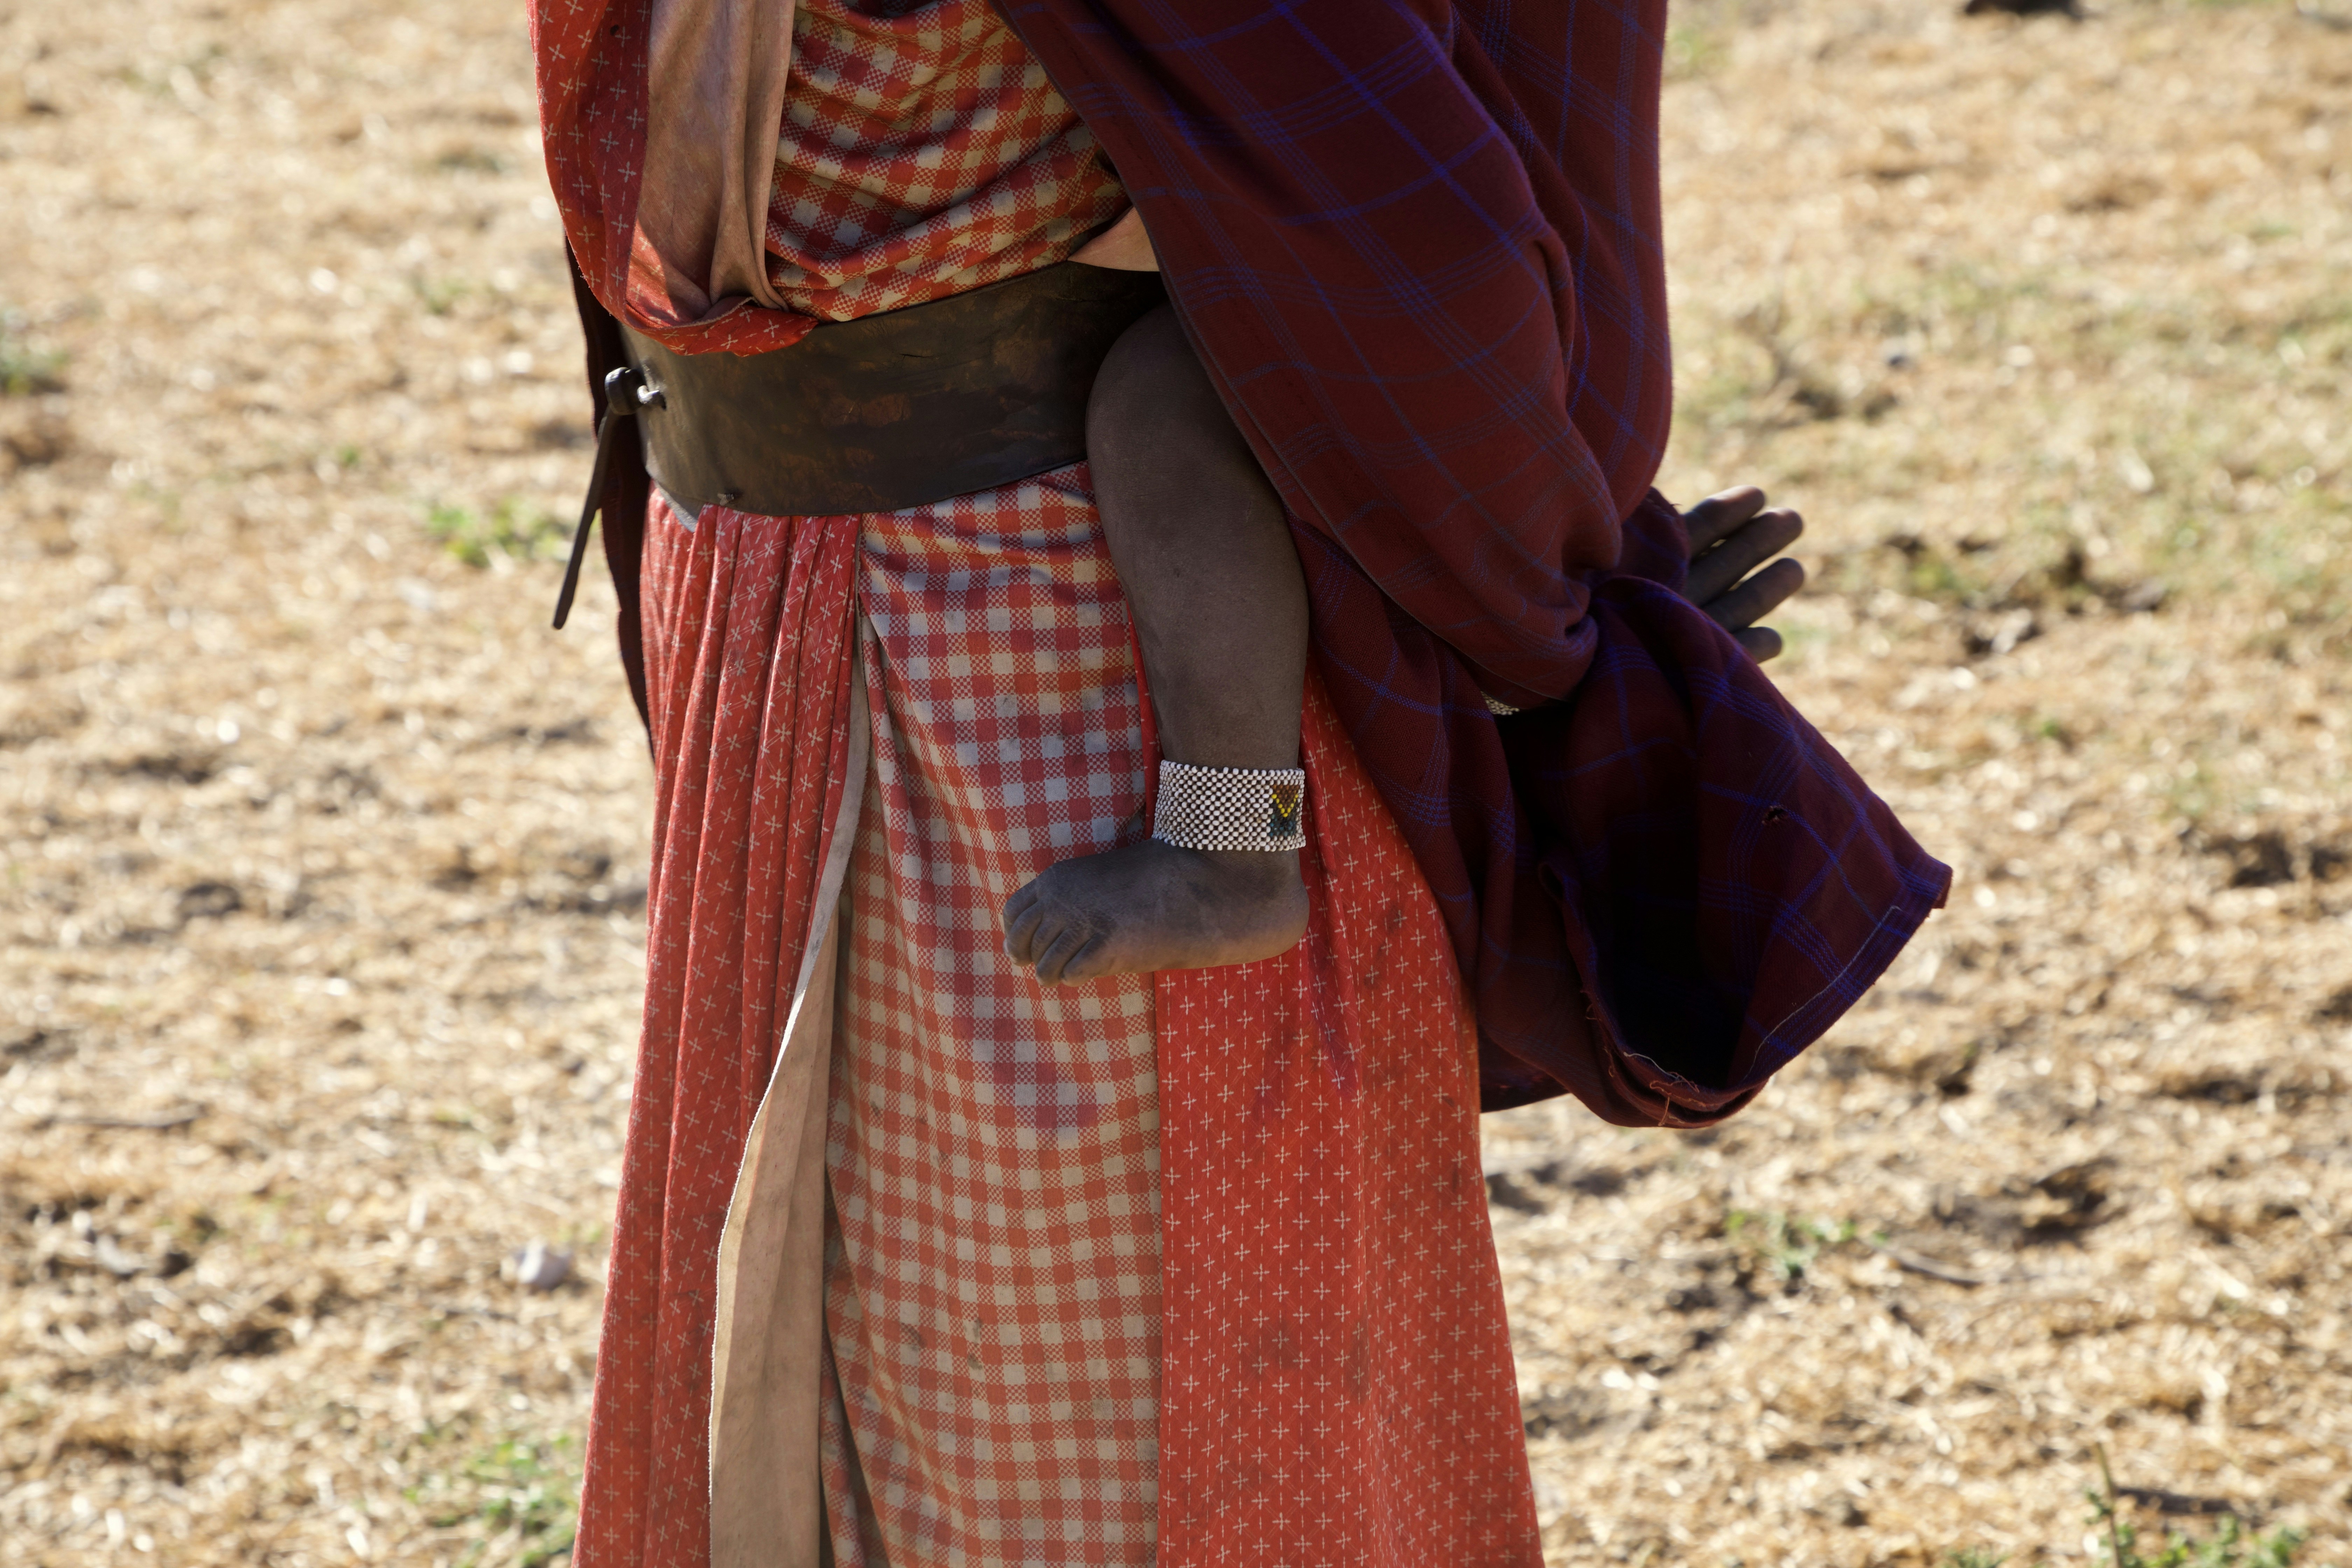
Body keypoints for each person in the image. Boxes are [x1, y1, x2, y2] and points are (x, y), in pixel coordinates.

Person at [532, 0, 1951, 1563]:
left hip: (1045, 658)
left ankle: (1226, 839)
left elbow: (1389, 184)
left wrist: (1541, 573)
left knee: (1099, 1443)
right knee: (817, 1390)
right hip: (779, 609)